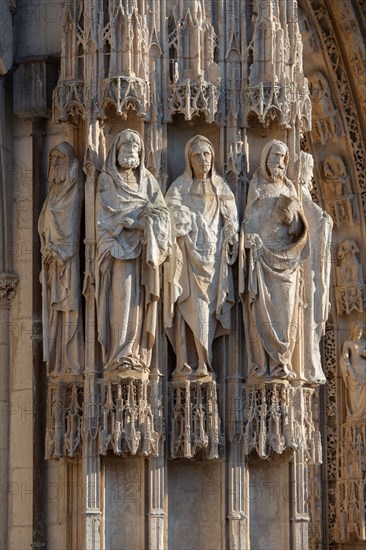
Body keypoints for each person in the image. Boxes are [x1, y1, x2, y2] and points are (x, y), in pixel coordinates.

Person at [96, 129, 170, 372]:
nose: (129, 150)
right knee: (121, 298)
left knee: (138, 302)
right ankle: (119, 354)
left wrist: (144, 224)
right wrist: (124, 224)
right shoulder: (106, 179)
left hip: (142, 252)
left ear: (140, 152)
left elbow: (161, 213)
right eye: (125, 145)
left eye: (134, 146)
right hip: (117, 251)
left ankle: (135, 352)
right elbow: (104, 216)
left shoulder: (147, 180)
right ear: (116, 150)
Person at [164, 135, 238, 377]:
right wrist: (182, 222)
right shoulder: (178, 187)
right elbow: (169, 216)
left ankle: (206, 362)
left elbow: (231, 223)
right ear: (189, 159)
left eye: (207, 154)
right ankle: (190, 362)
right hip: (187, 257)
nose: (203, 159)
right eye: (197, 155)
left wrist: (230, 234)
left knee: (208, 311)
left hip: (213, 258)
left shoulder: (222, 188)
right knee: (190, 307)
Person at [239, 139, 308, 380]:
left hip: (287, 262)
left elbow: (301, 228)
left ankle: (282, 363)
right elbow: (248, 221)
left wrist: (293, 222)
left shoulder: (290, 189)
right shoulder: (256, 188)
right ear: (266, 157)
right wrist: (250, 240)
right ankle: (263, 364)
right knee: (261, 313)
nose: (278, 161)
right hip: (261, 260)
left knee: (286, 314)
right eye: (274, 155)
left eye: (282, 156)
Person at [38, 142, 84, 376]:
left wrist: (61, 250)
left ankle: (72, 361)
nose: (54, 164)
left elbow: (73, 227)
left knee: (69, 306)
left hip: (69, 262)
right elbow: (45, 227)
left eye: (60, 160)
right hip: (51, 263)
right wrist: (48, 247)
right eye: (52, 159)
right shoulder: (51, 195)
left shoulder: (75, 188)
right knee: (55, 314)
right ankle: (59, 362)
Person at [298, 151, 333, 383]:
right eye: (309, 172)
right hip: (304, 270)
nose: (312, 177)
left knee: (313, 319)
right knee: (308, 315)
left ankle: (309, 363)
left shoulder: (303, 197)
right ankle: (306, 364)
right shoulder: (298, 196)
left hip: (313, 269)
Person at [340, 322, 366, 422]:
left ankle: (363, 415)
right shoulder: (348, 343)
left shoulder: (364, 342)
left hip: (364, 372)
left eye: (361, 328)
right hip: (354, 373)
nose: (360, 330)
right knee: (354, 397)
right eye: (358, 328)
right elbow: (344, 358)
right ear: (353, 329)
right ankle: (355, 416)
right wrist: (351, 372)